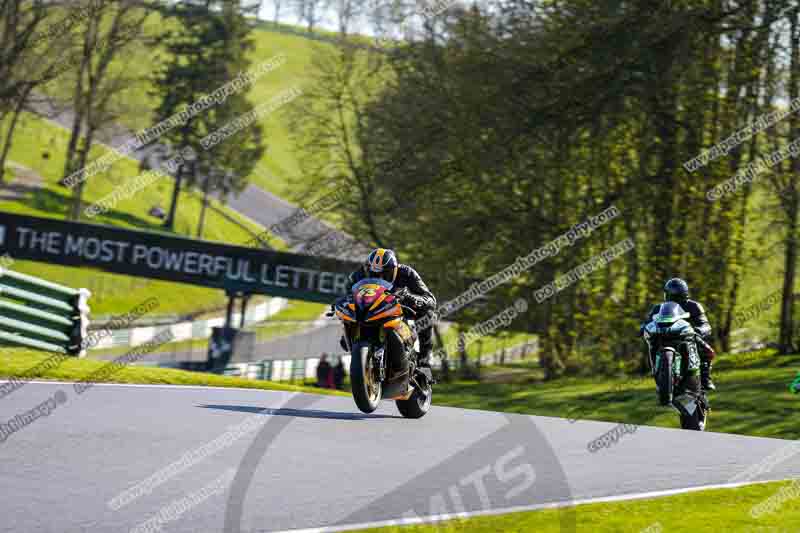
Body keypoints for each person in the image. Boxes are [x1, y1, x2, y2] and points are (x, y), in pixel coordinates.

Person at [342, 248, 437, 368]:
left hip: (398, 309)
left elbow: (430, 299)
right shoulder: (359, 274)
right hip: (370, 310)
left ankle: (424, 360)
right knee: (345, 319)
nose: (380, 278)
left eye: (385, 274)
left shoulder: (407, 273)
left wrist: (413, 298)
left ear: (394, 269)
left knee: (428, 313)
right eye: (375, 274)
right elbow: (347, 295)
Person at [643, 278, 716, 391]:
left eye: (677, 296)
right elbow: (648, 322)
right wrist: (643, 327)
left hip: (687, 336)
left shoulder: (694, 306)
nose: (675, 300)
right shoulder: (658, 308)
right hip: (664, 335)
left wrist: (700, 330)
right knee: (652, 343)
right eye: (672, 296)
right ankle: (656, 371)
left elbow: (705, 324)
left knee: (708, 351)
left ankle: (705, 378)